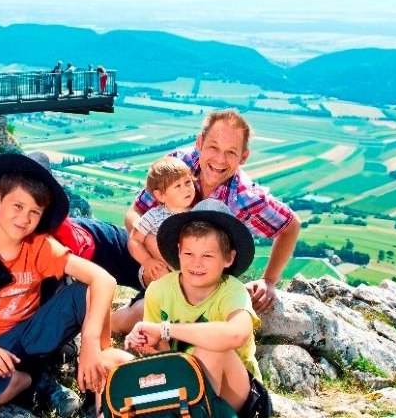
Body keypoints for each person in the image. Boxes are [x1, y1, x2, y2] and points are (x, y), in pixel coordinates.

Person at [0, 153, 128, 416]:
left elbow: (104, 280)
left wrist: (92, 344)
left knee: (83, 294)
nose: (24, 218)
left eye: (34, 212)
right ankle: (34, 381)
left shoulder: (39, 246)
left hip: (31, 336)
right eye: (17, 206)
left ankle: (99, 375)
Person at [120, 109, 300, 332]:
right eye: (213, 147)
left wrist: (269, 280)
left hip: (200, 280)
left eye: (231, 152)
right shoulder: (178, 165)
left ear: (244, 157)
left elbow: (290, 226)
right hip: (152, 264)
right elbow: (134, 214)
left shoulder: (245, 196)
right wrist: (152, 252)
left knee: (147, 317)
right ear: (199, 142)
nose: (219, 159)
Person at [125, 198, 272, 418]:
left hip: (232, 393)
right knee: (112, 360)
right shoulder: (159, 290)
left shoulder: (233, 291)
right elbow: (164, 353)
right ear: (178, 251)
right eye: (189, 254)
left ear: (228, 258)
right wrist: (148, 345)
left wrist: (165, 330)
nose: (196, 264)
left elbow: (236, 335)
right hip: (180, 387)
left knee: (211, 348)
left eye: (208, 256)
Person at [128, 156, 195, 289]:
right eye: (177, 186)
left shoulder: (196, 214)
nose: (186, 189)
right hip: (157, 268)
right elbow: (134, 240)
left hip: (182, 269)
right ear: (160, 196)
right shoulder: (153, 216)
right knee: (165, 278)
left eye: (188, 182)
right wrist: (147, 261)